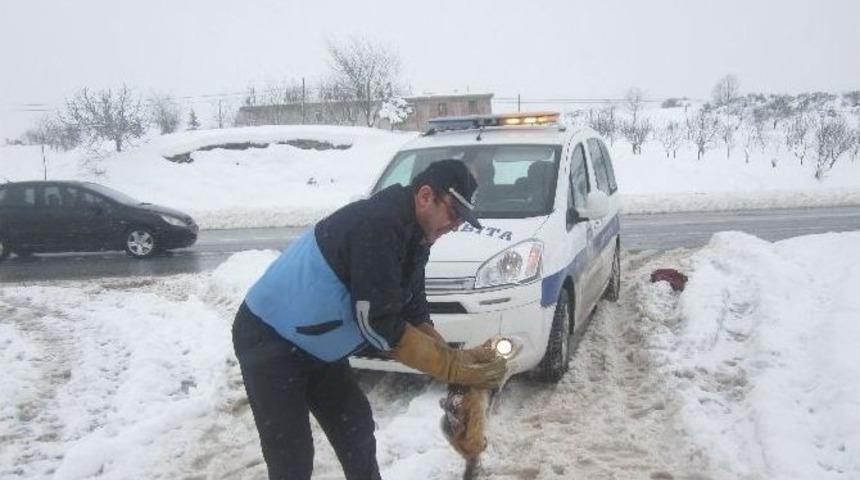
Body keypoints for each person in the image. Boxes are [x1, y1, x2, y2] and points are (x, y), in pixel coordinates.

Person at [232, 159, 507, 480]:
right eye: (454, 213)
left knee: (355, 427)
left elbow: (412, 311)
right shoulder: (377, 224)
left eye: (462, 218)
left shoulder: (417, 238)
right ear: (425, 196)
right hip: (269, 340)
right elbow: (379, 325)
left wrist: (455, 365)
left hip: (317, 347)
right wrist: (450, 366)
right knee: (292, 454)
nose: (456, 224)